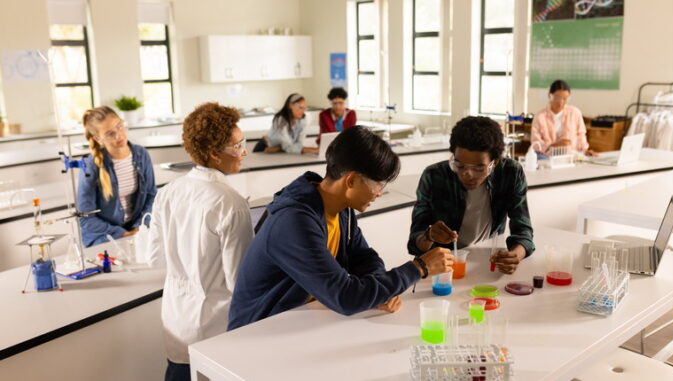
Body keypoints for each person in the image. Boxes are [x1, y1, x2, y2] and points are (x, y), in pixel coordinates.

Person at [228, 126, 453, 330]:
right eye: (379, 184)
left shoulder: (341, 209)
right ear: (351, 180)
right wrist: (419, 268)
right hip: (258, 330)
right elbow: (345, 297)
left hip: (300, 319)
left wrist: (380, 290)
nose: (380, 193)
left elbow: (364, 258)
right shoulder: (294, 221)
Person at [148, 103, 254, 381]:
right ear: (213, 154)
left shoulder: (168, 192)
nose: (244, 152)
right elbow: (239, 282)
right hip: (215, 326)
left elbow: (155, 258)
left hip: (175, 319)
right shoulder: (231, 203)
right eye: (237, 145)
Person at [407, 116, 535, 275]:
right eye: (459, 165)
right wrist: (429, 236)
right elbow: (414, 243)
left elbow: (523, 231)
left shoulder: (510, 173)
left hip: (486, 260)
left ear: (494, 162)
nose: (467, 174)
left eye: (479, 168)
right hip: (441, 267)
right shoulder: (434, 176)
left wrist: (516, 255)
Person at [77, 106, 156, 247]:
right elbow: (85, 217)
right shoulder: (90, 165)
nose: (119, 135)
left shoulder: (141, 154)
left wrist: (140, 227)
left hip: (136, 231)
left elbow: (151, 196)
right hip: (104, 236)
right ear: (98, 139)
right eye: (109, 134)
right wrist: (122, 234)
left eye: (120, 126)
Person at [531, 79, 597, 156]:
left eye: (565, 98)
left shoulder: (575, 113)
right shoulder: (540, 116)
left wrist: (585, 151)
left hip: (571, 157)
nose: (561, 102)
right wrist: (555, 145)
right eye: (557, 97)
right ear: (550, 95)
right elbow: (535, 143)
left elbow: (581, 135)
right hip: (547, 158)